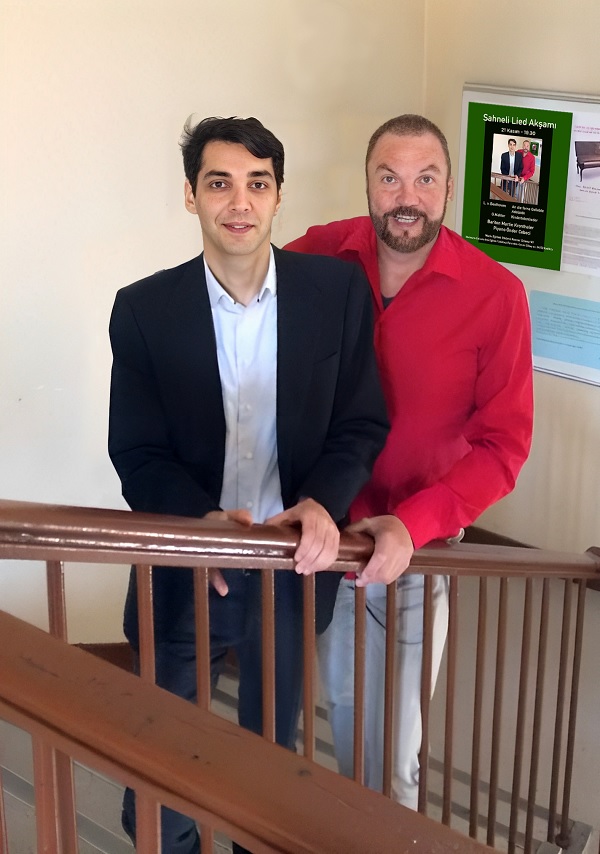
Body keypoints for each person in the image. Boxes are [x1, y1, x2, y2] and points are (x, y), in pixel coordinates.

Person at [108, 115, 389, 853]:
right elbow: (137, 451)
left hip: (287, 568)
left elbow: (360, 422)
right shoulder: (143, 310)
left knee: (268, 762)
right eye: (219, 183)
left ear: (278, 196)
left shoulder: (336, 293)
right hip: (185, 563)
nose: (240, 202)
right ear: (191, 196)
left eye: (257, 183)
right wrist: (198, 520)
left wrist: (323, 502)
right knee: (160, 766)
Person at [285, 114, 533, 809]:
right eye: (389, 178)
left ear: (449, 188)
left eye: (426, 179)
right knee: (342, 725)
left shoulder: (495, 294)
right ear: (367, 183)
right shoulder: (318, 254)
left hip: (416, 555)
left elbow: (504, 446)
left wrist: (413, 523)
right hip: (325, 542)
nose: (407, 197)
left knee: (393, 757)